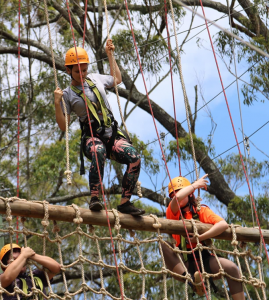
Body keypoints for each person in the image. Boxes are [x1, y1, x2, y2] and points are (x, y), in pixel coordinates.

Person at [54, 39, 145, 216]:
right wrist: (57, 103)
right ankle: (95, 197)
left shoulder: (95, 78)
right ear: (68, 71)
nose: (81, 73)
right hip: (92, 137)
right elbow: (63, 126)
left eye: (84, 69)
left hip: (112, 134)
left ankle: (125, 202)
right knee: (98, 150)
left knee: (134, 158)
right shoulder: (67, 94)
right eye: (77, 70)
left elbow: (117, 79)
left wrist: (110, 55)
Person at [161, 175, 245, 299]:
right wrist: (195, 185)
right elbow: (178, 198)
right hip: (183, 262)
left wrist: (200, 237)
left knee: (232, 268)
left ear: (189, 194)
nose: (175, 196)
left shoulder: (200, 211)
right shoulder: (173, 212)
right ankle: (192, 282)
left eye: (179, 191)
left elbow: (223, 224)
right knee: (163, 244)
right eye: (172, 195)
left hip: (204, 258)